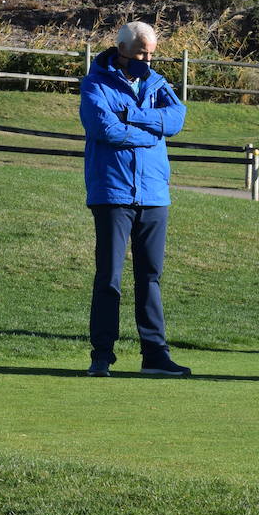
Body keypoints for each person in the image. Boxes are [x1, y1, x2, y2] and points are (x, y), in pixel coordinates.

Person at [79, 21, 191, 377]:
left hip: (155, 193)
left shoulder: (157, 83)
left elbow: (176, 120)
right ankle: (102, 354)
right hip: (112, 192)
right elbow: (103, 129)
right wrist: (149, 134)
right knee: (109, 275)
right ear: (122, 49)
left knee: (150, 276)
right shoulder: (94, 83)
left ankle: (155, 355)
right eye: (142, 52)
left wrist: (135, 116)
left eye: (152, 52)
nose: (148, 58)